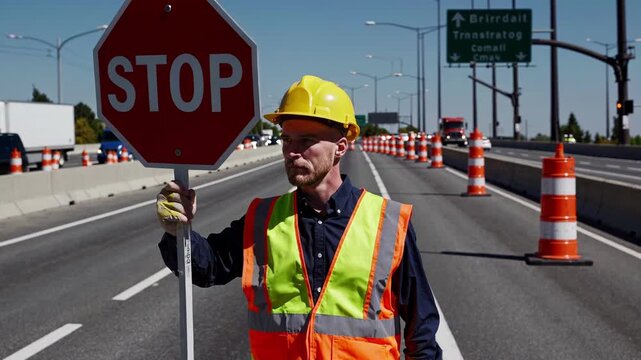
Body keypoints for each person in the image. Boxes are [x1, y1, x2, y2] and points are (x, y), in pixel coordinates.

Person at [156, 75, 442, 359]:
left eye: (306, 140)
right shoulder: (263, 219)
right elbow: (209, 268)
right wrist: (176, 231)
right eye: (287, 139)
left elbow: (422, 331)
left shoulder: (388, 222)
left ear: (340, 147)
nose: (292, 151)